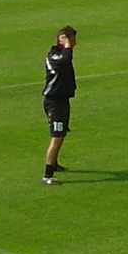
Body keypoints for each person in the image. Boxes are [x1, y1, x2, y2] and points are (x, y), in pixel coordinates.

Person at [41, 25, 76, 184]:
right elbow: (65, 60)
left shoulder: (61, 54)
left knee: (61, 134)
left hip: (62, 100)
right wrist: (67, 45)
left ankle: (54, 163)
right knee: (56, 136)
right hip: (54, 101)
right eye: (71, 38)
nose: (74, 42)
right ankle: (47, 175)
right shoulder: (53, 56)